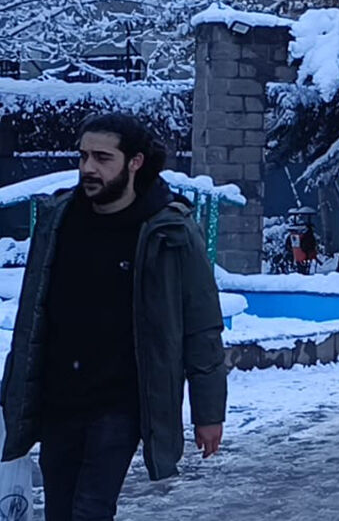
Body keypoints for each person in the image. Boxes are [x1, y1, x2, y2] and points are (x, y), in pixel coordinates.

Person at [2, 113, 227, 520]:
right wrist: (13, 389)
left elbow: (202, 324)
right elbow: (32, 316)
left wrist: (208, 413)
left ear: (135, 162)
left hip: (120, 402)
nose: (88, 167)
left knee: (91, 508)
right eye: (83, 156)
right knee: (59, 509)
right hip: (59, 398)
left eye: (103, 158)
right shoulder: (58, 219)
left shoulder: (167, 230)